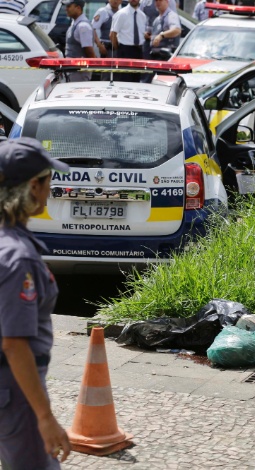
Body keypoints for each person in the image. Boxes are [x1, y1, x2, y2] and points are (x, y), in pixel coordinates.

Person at [0, 137, 71, 470]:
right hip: (14, 388)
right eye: (48, 180)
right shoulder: (19, 258)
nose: (51, 188)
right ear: (34, 186)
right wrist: (44, 417)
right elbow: (14, 344)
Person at [110, 0, 147, 82]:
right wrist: (118, 49)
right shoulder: (121, 14)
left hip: (138, 51)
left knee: (136, 80)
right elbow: (112, 34)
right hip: (125, 50)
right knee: (124, 80)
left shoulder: (142, 16)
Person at [62, 0, 96, 82]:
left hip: (79, 71)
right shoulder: (75, 23)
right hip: (73, 70)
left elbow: (89, 51)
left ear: (78, 8)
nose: (66, 9)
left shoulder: (83, 26)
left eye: (69, 6)